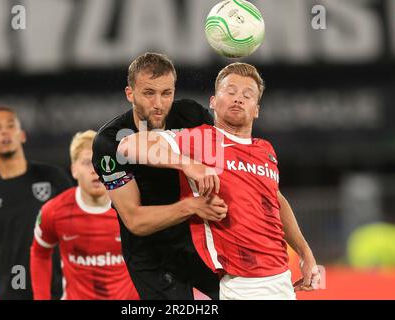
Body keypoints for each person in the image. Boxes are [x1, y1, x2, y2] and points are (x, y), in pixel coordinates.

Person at [118, 62, 320, 300]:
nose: (238, 99)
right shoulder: (202, 139)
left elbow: (275, 201)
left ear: (256, 109)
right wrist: (189, 164)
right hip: (242, 285)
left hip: (281, 281)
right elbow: (128, 145)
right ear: (213, 101)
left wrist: (305, 253)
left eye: (247, 95)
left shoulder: (265, 151)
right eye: (230, 91)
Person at [92, 52, 226, 300]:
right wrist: (192, 204)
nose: (159, 103)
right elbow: (134, 220)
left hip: (198, 241)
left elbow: (226, 172)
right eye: (148, 93)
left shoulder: (193, 116)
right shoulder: (109, 141)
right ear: (130, 94)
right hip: (150, 254)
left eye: (166, 93)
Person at [0, 106, 72, 300]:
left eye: (11, 125)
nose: (4, 131)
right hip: (11, 294)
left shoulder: (53, 177)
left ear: (22, 135)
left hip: (58, 292)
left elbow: (79, 225)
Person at [30, 130, 139, 300]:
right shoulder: (54, 211)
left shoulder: (132, 207)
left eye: (99, 162)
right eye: (87, 163)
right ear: (74, 170)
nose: (94, 170)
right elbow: (39, 253)